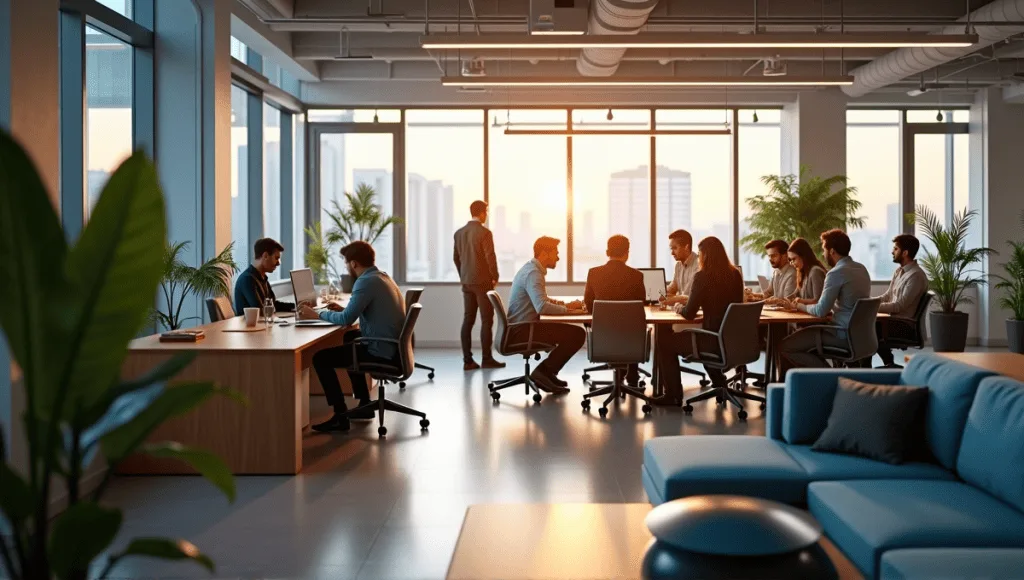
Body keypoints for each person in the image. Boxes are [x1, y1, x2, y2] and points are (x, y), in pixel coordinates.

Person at [298, 241, 406, 433]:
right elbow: (358, 312)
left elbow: (347, 319)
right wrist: (343, 309)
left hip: (380, 350)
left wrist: (317, 315)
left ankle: (340, 415)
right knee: (350, 337)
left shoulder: (365, 281)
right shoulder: (381, 277)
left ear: (354, 263)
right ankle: (364, 403)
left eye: (347, 263)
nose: (347, 267)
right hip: (391, 346)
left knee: (320, 358)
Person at [654, 236, 744, 406]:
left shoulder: (702, 276)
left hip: (712, 340)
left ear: (705, 255)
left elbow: (688, 313)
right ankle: (719, 384)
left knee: (664, 342)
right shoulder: (735, 275)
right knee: (688, 339)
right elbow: (732, 308)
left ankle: (673, 395)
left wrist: (677, 307)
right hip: (733, 339)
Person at [779, 229, 871, 373]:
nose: (823, 254)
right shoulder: (861, 268)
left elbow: (820, 311)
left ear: (832, 251)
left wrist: (798, 305)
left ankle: (829, 375)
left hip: (840, 334)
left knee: (785, 346)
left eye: (824, 249)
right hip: (861, 335)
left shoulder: (836, 273)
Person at [506, 236, 586, 394]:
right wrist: (571, 311)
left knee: (571, 333)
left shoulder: (532, 270)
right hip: (523, 331)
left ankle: (548, 373)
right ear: (544, 253)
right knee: (577, 334)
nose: (558, 256)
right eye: (555, 252)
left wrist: (566, 305)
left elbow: (543, 300)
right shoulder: (533, 274)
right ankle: (543, 373)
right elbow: (542, 307)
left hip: (522, 327)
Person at [583, 235, 647, 386]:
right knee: (633, 325)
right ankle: (632, 373)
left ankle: (627, 372)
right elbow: (640, 305)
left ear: (607, 252)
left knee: (627, 325)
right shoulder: (637, 275)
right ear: (627, 253)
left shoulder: (594, 273)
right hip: (631, 340)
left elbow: (588, 303)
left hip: (602, 336)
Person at [453, 200, 504, 371]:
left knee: (468, 320)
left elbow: (456, 258)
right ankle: (487, 359)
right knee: (486, 320)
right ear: (481, 213)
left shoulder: (459, 233)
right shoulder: (484, 233)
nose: (486, 215)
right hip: (482, 282)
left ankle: (467, 361)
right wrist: (495, 276)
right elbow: (490, 256)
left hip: (466, 282)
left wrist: (463, 276)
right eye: (486, 212)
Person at [874, 234, 930, 368]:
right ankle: (886, 363)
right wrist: (867, 302)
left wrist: (871, 308)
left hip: (903, 326)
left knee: (865, 328)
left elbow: (899, 306)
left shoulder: (915, 276)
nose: (892, 252)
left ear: (905, 253)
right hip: (892, 322)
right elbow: (887, 296)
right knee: (866, 326)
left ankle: (864, 368)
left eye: (895, 249)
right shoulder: (899, 271)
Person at [234, 238, 295, 315]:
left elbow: (272, 304)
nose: (278, 263)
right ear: (265, 256)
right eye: (276, 258)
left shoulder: (262, 277)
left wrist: (296, 306)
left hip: (263, 325)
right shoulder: (247, 279)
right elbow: (262, 311)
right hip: (251, 326)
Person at [777, 237, 827, 305]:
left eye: (794, 259)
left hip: (816, 315)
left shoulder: (815, 272)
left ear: (803, 256)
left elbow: (818, 301)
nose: (791, 263)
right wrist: (779, 300)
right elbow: (794, 295)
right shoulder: (802, 273)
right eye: (790, 260)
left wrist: (800, 301)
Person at [660, 229, 699, 306]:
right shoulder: (678, 266)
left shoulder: (698, 264)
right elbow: (672, 288)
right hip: (681, 310)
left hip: (693, 314)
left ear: (686, 247)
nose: (672, 253)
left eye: (675, 248)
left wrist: (671, 298)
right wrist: (661, 293)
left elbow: (688, 296)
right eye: (671, 249)